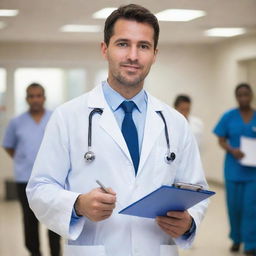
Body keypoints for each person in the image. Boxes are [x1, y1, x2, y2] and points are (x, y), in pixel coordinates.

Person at [26, 5, 208, 256]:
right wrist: (78, 204)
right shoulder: (68, 117)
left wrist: (188, 223)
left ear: (154, 54)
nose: (133, 55)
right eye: (123, 44)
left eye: (143, 46)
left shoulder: (174, 122)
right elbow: (39, 188)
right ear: (105, 49)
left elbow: (195, 188)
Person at [2, 83, 61, 256]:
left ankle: (55, 253)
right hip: (25, 179)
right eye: (31, 96)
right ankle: (34, 253)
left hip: (53, 178)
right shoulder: (16, 123)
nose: (35, 99)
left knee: (54, 219)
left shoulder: (56, 118)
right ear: (26, 99)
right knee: (29, 219)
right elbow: (9, 146)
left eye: (38, 95)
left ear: (44, 97)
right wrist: (25, 161)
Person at [213, 83, 256, 256]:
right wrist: (232, 149)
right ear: (236, 97)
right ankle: (236, 239)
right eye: (240, 95)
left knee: (251, 208)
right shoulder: (228, 117)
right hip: (233, 169)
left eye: (246, 94)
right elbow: (221, 139)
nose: (243, 98)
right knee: (234, 207)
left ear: (251, 95)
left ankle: (251, 243)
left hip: (253, 172)